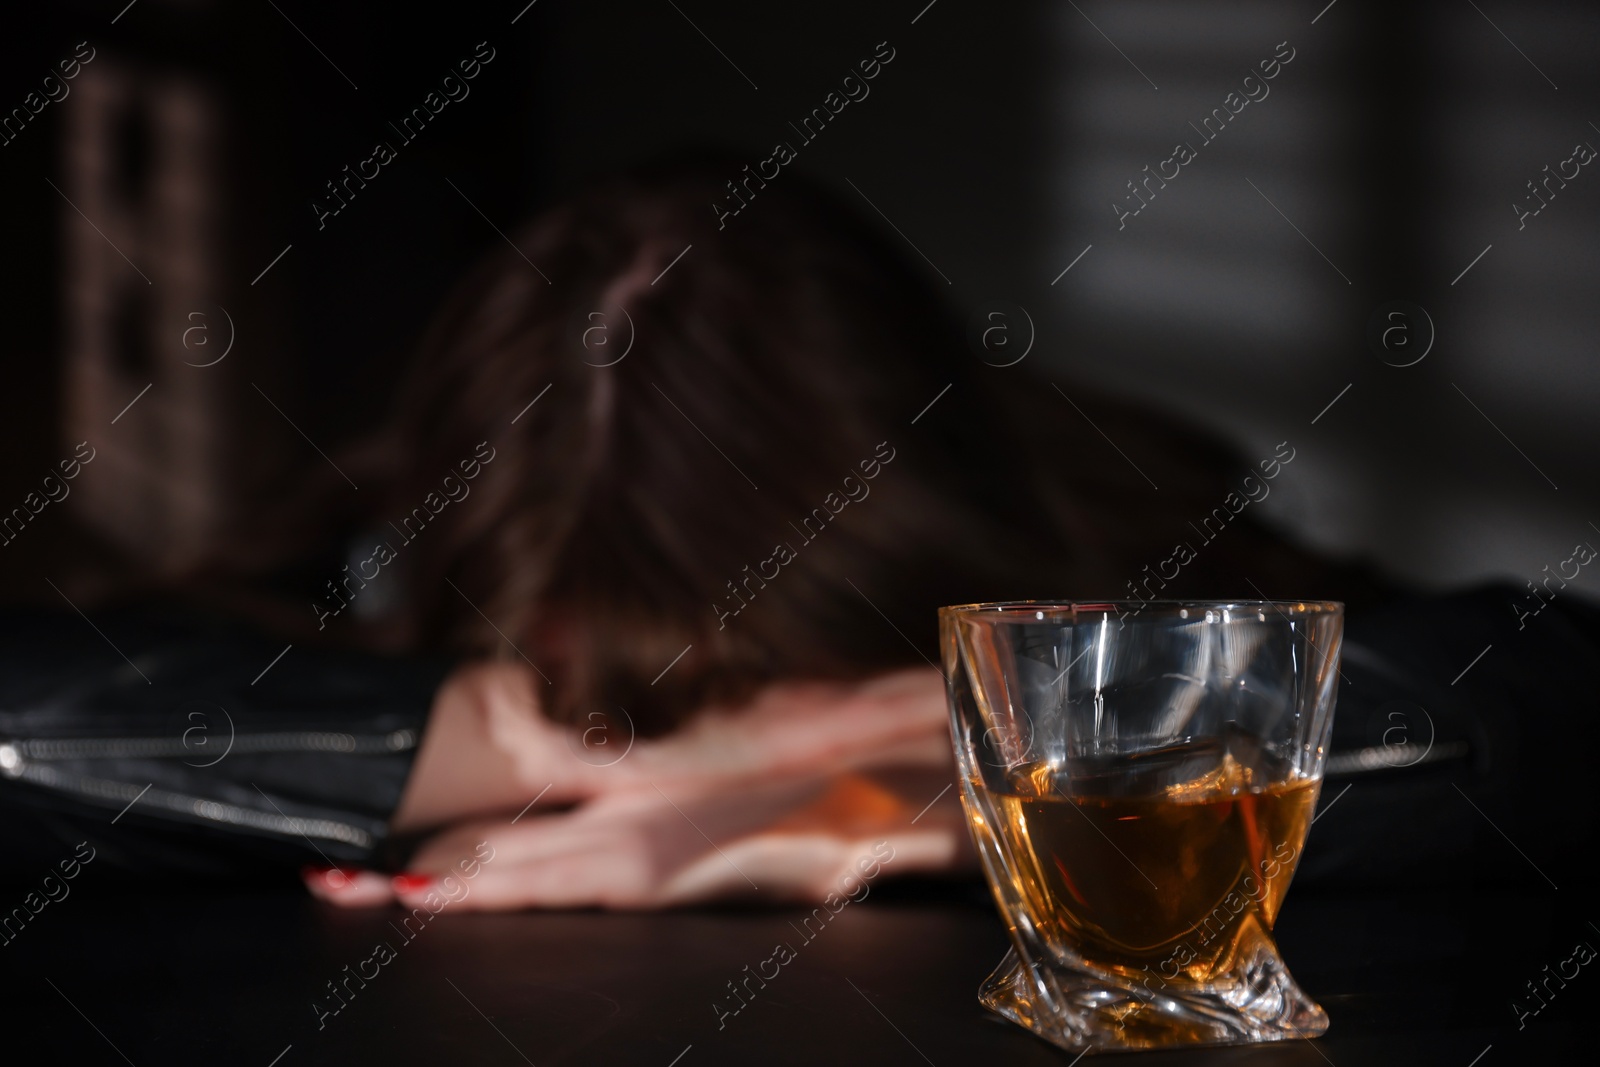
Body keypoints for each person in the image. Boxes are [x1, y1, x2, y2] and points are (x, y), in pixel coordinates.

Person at [2, 159, 1591, 911]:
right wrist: (509, 741)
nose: (701, 708)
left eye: (782, 662)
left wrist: (941, 766)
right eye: (581, 672)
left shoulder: (1121, 504)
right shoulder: (382, 541)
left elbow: (1539, 695)